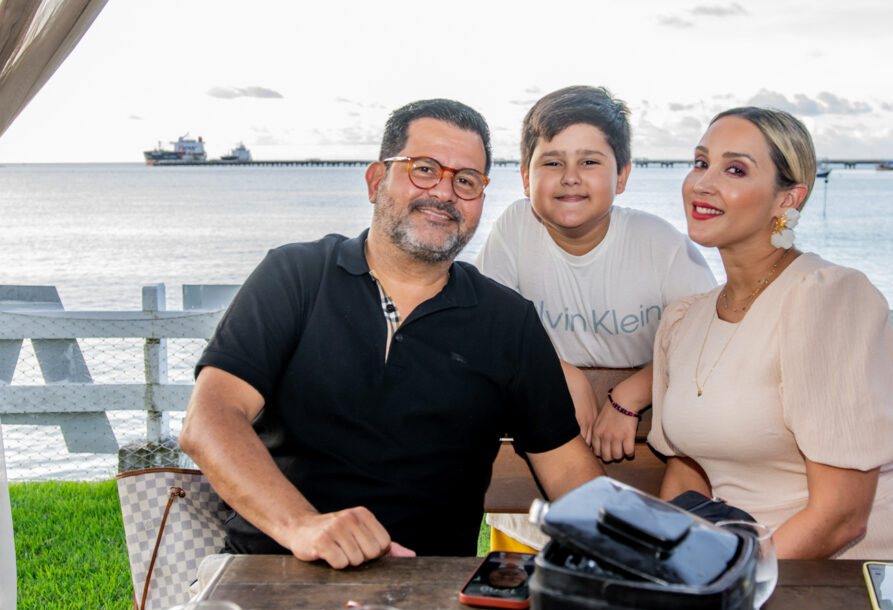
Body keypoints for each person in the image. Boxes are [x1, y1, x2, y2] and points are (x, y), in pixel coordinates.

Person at [178, 99, 604, 569]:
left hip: (428, 592)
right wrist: (303, 526)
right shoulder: (295, 276)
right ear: (376, 181)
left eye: (466, 180)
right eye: (424, 169)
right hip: (270, 574)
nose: (444, 192)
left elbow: (567, 470)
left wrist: (657, 555)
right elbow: (210, 418)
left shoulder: (508, 321)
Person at [651, 106, 893, 560]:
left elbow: (841, 517)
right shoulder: (684, 321)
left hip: (869, 583)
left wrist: (725, 587)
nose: (703, 183)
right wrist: (652, 564)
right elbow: (686, 474)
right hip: (755, 579)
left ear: (787, 199)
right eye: (701, 163)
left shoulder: (828, 298)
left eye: (734, 169)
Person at [475, 86, 715, 550]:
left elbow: (709, 339)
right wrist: (558, 371)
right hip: (536, 504)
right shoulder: (514, 230)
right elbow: (488, 326)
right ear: (525, 177)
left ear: (621, 175)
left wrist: (631, 395)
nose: (570, 177)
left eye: (589, 162)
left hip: (643, 470)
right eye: (551, 162)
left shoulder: (658, 244)